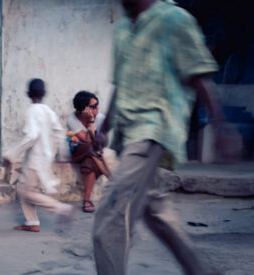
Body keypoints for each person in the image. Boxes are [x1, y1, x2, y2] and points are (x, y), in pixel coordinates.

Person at [92, 0, 230, 274]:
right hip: (127, 134)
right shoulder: (122, 30)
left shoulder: (174, 19)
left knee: (110, 218)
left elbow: (198, 75)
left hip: (155, 131)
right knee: (156, 213)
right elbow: (120, 85)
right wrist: (105, 127)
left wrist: (221, 125)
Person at [3, 78, 75, 233]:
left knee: (28, 192)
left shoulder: (32, 111)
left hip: (35, 160)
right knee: (23, 188)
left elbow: (31, 136)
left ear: (28, 94)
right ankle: (32, 222)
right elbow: (60, 133)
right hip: (44, 158)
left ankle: (62, 209)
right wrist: (63, 156)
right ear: (44, 93)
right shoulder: (49, 111)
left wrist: (10, 155)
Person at [66, 91, 109, 213]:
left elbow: (98, 141)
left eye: (98, 104)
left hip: (92, 153)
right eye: (94, 106)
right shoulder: (72, 119)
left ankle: (87, 200)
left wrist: (87, 137)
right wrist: (91, 121)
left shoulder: (101, 118)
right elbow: (88, 139)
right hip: (76, 152)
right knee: (91, 147)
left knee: (89, 163)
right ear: (83, 109)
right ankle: (111, 178)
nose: (97, 108)